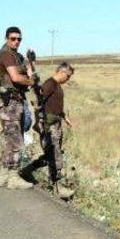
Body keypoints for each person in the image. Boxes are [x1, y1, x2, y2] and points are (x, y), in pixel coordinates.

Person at [0, 26, 35, 189]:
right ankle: (13, 178)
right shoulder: (6, 54)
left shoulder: (18, 56)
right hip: (9, 103)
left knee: (9, 139)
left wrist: (31, 61)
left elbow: (31, 73)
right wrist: (31, 82)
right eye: (13, 38)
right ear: (6, 38)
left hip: (16, 101)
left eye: (19, 39)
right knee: (16, 140)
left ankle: (3, 176)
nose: (16, 41)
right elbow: (16, 77)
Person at [40, 62, 75, 198]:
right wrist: (41, 123)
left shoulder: (57, 85)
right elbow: (39, 103)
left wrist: (65, 117)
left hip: (56, 123)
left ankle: (51, 182)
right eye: (68, 76)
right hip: (50, 125)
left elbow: (57, 106)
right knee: (55, 154)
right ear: (61, 72)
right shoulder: (49, 84)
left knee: (54, 152)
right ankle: (58, 188)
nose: (68, 79)